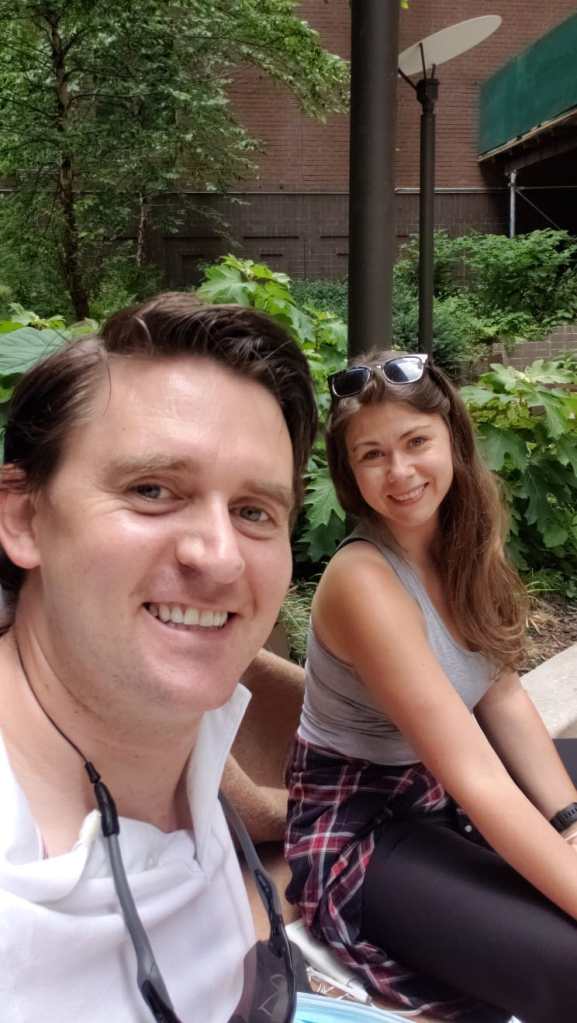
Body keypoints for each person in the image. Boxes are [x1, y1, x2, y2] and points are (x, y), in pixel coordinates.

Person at [0, 293, 317, 1022]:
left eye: (254, 511)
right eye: (152, 490)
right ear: (24, 517)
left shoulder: (194, 737)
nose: (220, 557)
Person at [284, 351, 577, 1023]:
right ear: (350, 475)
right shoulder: (363, 582)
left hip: (440, 791)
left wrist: (568, 821)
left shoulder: (464, 546)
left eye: (415, 441)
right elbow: (476, 776)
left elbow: (500, 694)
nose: (400, 472)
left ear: (451, 439)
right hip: (365, 825)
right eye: (372, 455)